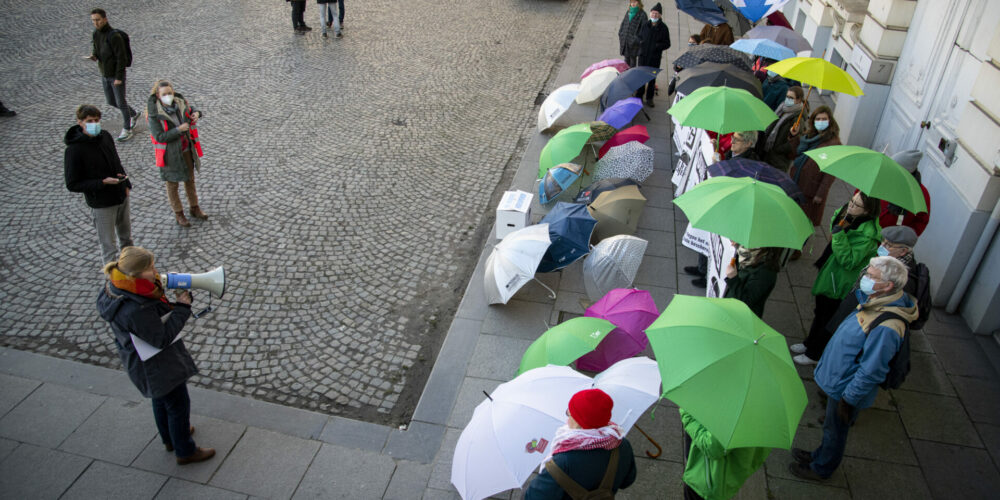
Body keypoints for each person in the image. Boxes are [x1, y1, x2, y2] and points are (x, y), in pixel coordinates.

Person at [788, 256, 917, 481]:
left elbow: (871, 370)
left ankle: (821, 468)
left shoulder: (887, 326)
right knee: (831, 426)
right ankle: (819, 455)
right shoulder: (876, 300)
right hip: (841, 382)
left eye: (871, 276)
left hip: (845, 389)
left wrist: (849, 399)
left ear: (887, 285)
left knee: (836, 430)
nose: (865, 278)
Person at [97, 246, 216, 465]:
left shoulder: (116, 287)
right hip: (157, 366)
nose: (155, 271)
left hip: (141, 361)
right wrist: (182, 307)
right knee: (178, 404)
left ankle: (170, 437)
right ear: (135, 274)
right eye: (150, 268)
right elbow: (161, 338)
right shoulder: (134, 309)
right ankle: (185, 450)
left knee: (161, 399)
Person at [793, 191, 881, 365]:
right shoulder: (850, 217)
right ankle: (809, 343)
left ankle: (814, 354)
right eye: (851, 201)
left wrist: (839, 235)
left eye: (856, 205)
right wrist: (841, 220)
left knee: (828, 318)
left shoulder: (868, 235)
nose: (850, 206)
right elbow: (836, 225)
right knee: (819, 312)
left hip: (840, 282)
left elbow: (848, 260)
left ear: (867, 211)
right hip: (831, 273)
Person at [525, 389, 637, 499]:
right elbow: (628, 481)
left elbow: (534, 496)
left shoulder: (562, 462)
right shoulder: (622, 444)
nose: (567, 418)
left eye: (570, 413)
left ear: (579, 421)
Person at [64, 104, 134, 265]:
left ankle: (131, 269)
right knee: (109, 246)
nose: (94, 123)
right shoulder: (74, 150)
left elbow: (116, 161)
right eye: (90, 121)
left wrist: (126, 184)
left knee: (126, 239)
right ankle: (112, 282)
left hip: (120, 194)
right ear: (80, 122)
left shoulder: (105, 136)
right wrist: (101, 182)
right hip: (101, 202)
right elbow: (72, 183)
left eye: (96, 120)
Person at [147, 80, 208, 227]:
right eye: (164, 94)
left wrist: (197, 114)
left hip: (186, 149)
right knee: (172, 184)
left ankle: (194, 207)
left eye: (170, 93)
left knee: (190, 180)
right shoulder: (154, 114)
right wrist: (178, 130)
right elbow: (159, 137)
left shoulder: (180, 104)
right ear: (158, 95)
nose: (168, 96)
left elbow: (192, 109)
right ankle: (178, 213)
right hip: (169, 154)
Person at [681, 408, 770, 500]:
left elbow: (711, 447)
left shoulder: (735, 409)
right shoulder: (771, 409)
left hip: (707, 481)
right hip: (733, 474)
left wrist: (687, 414)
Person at [86, 8, 137, 141]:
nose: (95, 23)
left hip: (115, 75)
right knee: (111, 101)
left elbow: (121, 58)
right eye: (93, 20)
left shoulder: (114, 36)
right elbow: (96, 48)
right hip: (104, 73)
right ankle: (133, 114)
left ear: (105, 19)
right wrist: (94, 55)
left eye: (98, 20)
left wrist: (119, 77)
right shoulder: (96, 34)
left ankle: (127, 128)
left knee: (120, 102)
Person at [788, 106, 842, 231]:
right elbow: (792, 154)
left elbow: (830, 173)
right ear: (813, 121)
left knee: (802, 224)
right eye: (818, 119)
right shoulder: (808, 137)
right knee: (792, 218)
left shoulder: (833, 143)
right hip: (797, 183)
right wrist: (793, 136)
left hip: (810, 191)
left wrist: (820, 193)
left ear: (830, 121)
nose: (821, 122)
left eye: (824, 119)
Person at [880, 150, 931, 235]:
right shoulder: (883, 177)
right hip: (867, 233)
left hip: (890, 242)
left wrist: (902, 238)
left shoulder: (921, 194)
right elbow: (861, 195)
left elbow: (921, 221)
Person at [758, 86, 807, 171]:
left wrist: (777, 150)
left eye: (791, 98)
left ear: (799, 100)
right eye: (787, 97)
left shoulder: (798, 119)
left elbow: (795, 143)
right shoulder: (782, 109)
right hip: (767, 153)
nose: (788, 99)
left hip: (778, 160)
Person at [724, 245, 782, 318]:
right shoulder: (745, 253)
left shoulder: (765, 273)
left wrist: (733, 278)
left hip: (741, 318)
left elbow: (745, 302)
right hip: (730, 308)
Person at [636, 3, 670, 107]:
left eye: (656, 14)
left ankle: (649, 98)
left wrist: (657, 46)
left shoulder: (663, 28)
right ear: (650, 13)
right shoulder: (645, 25)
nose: (654, 15)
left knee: (651, 79)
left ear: (660, 15)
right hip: (643, 57)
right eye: (652, 13)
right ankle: (639, 96)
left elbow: (667, 44)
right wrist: (640, 42)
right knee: (641, 77)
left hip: (654, 58)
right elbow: (638, 36)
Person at [618, 0, 648, 68]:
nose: (633, 4)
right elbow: (623, 24)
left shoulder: (642, 14)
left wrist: (636, 39)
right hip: (626, 41)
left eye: (635, 2)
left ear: (639, 3)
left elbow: (644, 30)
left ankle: (631, 76)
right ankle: (626, 75)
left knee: (632, 61)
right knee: (626, 60)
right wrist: (621, 34)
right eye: (632, 2)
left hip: (634, 44)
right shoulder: (628, 12)